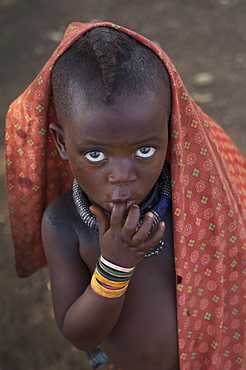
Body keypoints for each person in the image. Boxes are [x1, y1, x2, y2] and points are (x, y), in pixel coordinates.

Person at [5, 21, 246, 370]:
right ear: (61, 142)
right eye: (96, 155)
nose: (123, 176)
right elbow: (80, 335)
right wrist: (115, 266)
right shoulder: (64, 225)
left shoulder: (196, 198)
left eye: (145, 150)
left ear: (171, 131)